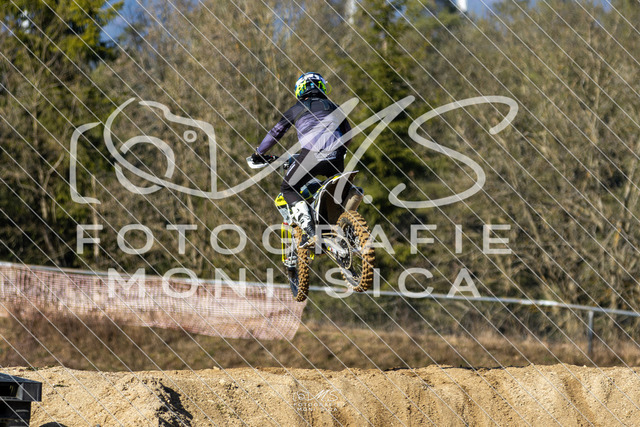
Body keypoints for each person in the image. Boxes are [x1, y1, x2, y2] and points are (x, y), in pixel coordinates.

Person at [249, 72, 352, 248]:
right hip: (336, 157)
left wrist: (258, 153)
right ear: (322, 87)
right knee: (335, 189)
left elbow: (276, 133)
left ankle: (310, 231)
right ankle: (342, 227)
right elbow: (348, 133)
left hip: (311, 156)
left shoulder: (296, 109)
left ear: (300, 90)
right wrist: (340, 151)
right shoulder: (334, 106)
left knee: (288, 188)